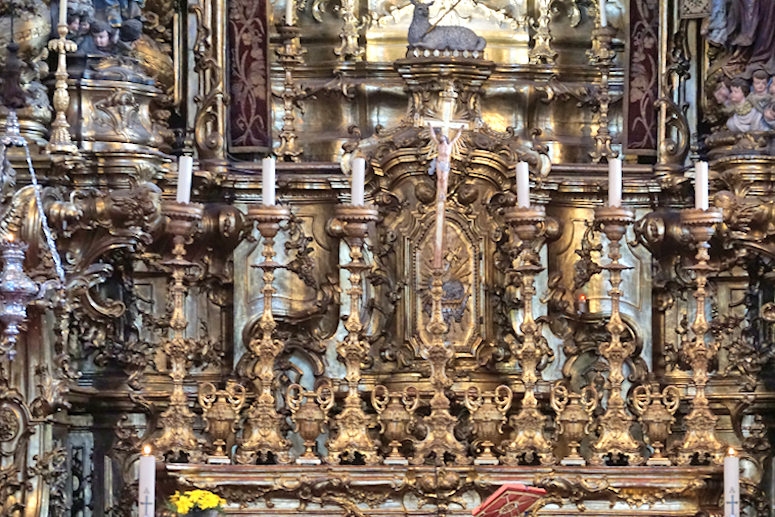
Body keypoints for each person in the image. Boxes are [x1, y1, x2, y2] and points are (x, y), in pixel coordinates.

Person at [428, 125, 462, 269]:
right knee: (440, 181)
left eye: (443, 138)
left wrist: (460, 130)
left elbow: (456, 138)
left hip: (445, 164)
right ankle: (441, 193)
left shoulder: (448, 146)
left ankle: (442, 193)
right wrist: (430, 127)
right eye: (440, 138)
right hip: (440, 163)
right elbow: (433, 137)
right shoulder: (439, 145)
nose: (441, 139)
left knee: (443, 182)